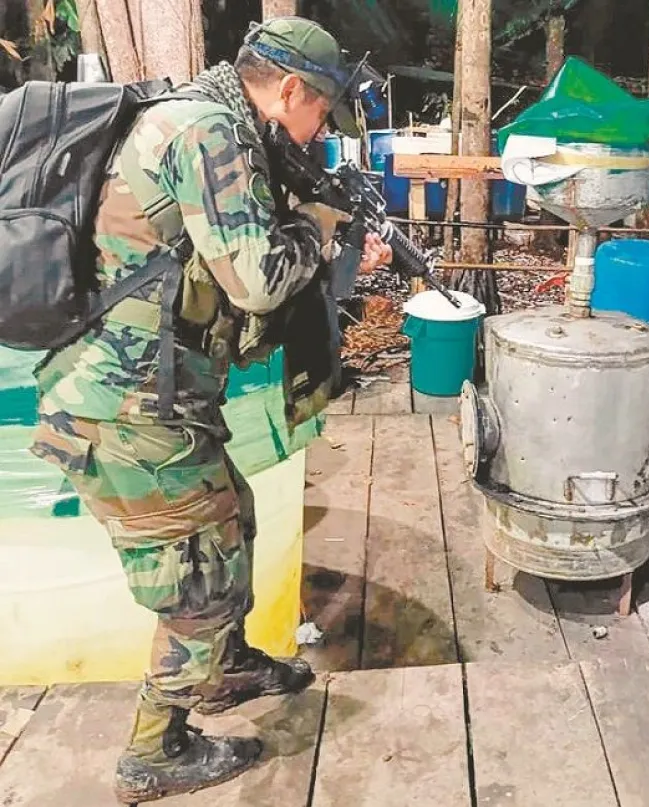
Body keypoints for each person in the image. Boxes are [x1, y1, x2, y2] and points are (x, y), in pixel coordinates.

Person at [28, 17, 391, 804]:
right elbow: (258, 280)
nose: (320, 130)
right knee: (198, 584)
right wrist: (320, 229)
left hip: (152, 395)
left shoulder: (215, 119)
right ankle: (155, 750)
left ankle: (223, 669)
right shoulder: (208, 131)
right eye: (322, 112)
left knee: (237, 518)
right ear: (290, 88)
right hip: (124, 405)